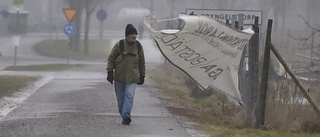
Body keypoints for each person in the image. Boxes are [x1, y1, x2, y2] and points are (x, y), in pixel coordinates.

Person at [106, 24, 145, 125]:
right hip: (119, 77)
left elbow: (142, 62)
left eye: (135, 36)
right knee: (120, 100)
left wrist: (142, 75)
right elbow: (111, 59)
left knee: (129, 96)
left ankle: (126, 115)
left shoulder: (139, 47)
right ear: (127, 35)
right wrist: (109, 72)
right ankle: (124, 115)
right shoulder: (120, 45)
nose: (134, 38)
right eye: (132, 36)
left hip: (132, 78)